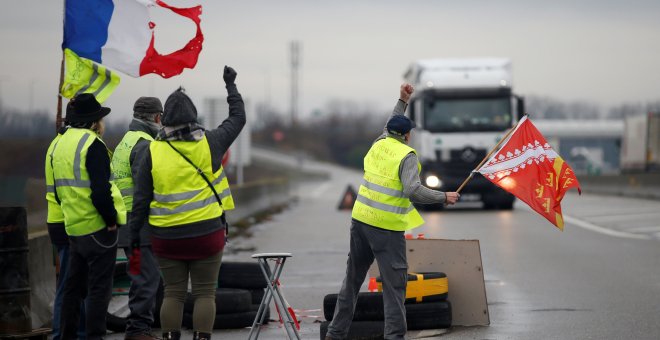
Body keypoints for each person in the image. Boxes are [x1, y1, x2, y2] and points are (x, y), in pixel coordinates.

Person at [325, 83, 460, 340]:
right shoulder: (406, 155)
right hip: (386, 229)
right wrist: (444, 197)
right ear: (407, 135)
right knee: (395, 287)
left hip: (361, 222)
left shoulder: (379, 143)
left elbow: (389, 125)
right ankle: (395, 337)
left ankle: (335, 333)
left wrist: (402, 101)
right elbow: (414, 190)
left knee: (352, 280)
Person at [129, 66, 245, 340]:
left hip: (166, 238)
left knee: (173, 292)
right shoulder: (211, 142)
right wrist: (231, 85)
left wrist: (134, 237)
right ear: (193, 116)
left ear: (164, 118)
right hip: (207, 234)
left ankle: (170, 336)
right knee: (205, 292)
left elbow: (141, 201)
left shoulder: (152, 151)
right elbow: (238, 118)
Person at [51, 93, 127, 340]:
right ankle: (95, 336)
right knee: (98, 289)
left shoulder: (59, 144)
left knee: (73, 289)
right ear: (95, 121)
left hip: (73, 228)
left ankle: (66, 336)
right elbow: (100, 191)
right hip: (97, 229)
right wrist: (111, 219)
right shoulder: (93, 145)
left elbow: (59, 189)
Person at [111, 97, 164, 340]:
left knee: (138, 277)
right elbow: (146, 188)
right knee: (147, 278)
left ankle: (142, 326)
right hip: (140, 226)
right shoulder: (144, 145)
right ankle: (138, 331)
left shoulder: (126, 141)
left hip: (127, 225)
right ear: (156, 118)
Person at [45, 123, 86, 340]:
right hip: (67, 221)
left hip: (58, 219)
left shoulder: (55, 144)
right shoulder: (67, 146)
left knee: (71, 282)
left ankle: (73, 331)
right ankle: (62, 333)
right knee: (69, 283)